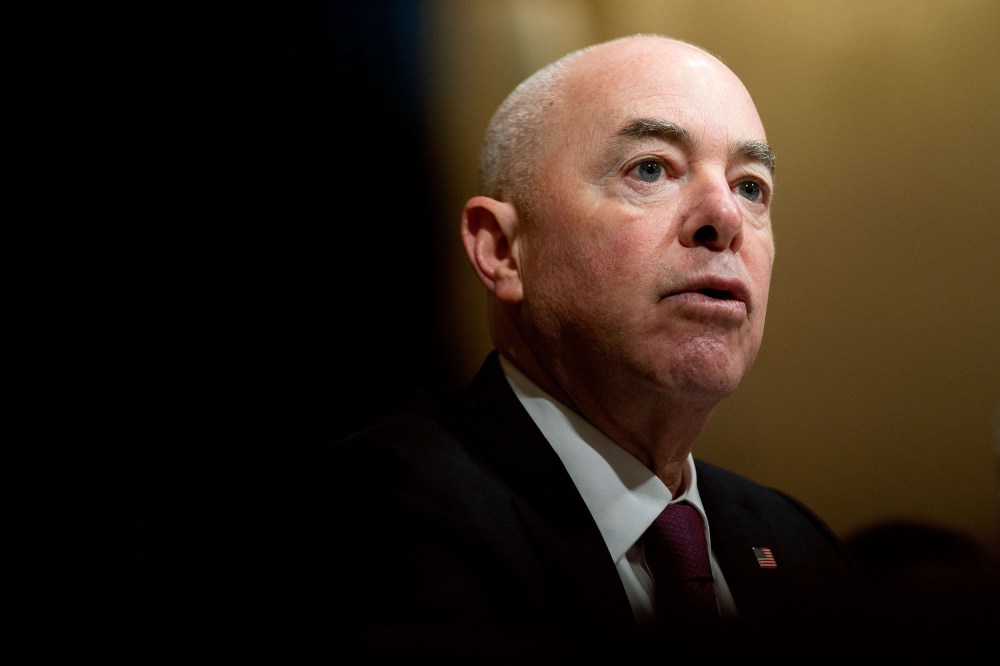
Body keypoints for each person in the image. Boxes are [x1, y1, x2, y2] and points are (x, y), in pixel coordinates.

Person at [234, 34, 865, 660]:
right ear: (503, 251)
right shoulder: (377, 526)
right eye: (650, 168)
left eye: (750, 186)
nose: (724, 217)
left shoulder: (801, 549)